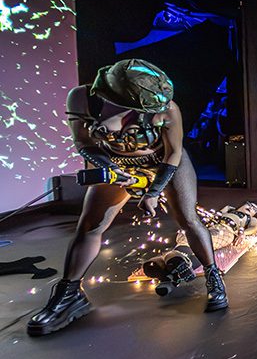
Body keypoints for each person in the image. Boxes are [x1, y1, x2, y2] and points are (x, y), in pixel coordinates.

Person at [28, 59, 228, 336]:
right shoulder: (84, 99)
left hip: (164, 163)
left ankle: (213, 278)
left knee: (188, 219)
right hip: (116, 164)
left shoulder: (167, 109)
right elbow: (84, 143)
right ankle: (69, 295)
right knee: (90, 227)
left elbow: (174, 154)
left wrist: (154, 193)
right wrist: (111, 170)